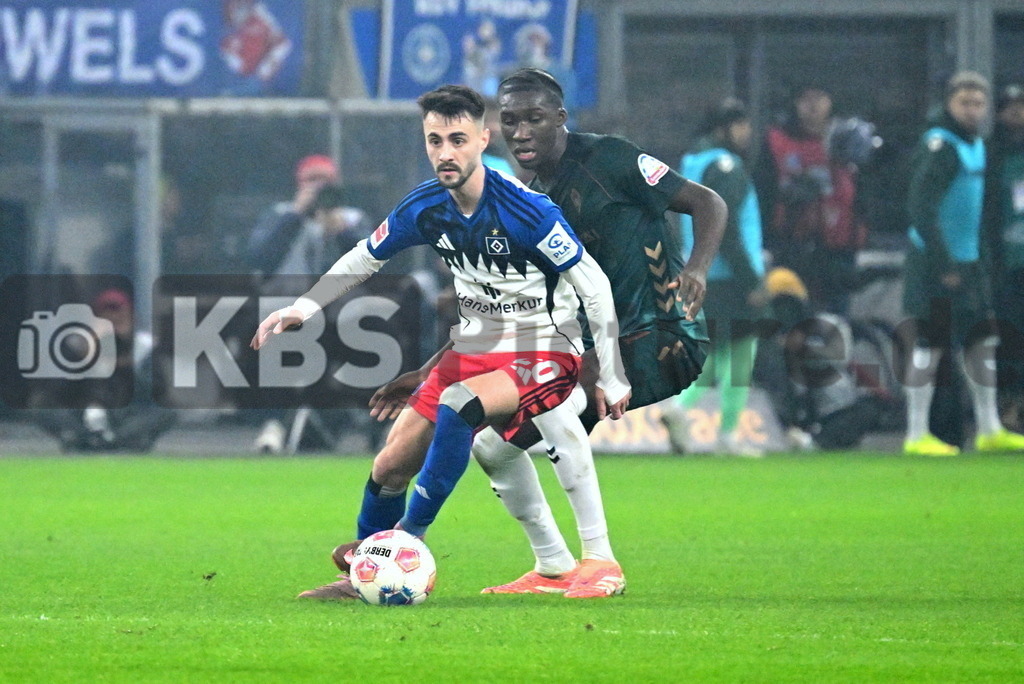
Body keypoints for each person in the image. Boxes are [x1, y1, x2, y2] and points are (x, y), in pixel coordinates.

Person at [250, 84, 631, 597]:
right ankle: (367, 576)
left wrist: (611, 371)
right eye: (434, 141)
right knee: (390, 463)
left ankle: (403, 543)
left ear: (482, 139)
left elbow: (593, 282)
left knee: (461, 406)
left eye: (457, 139)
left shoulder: (525, 209)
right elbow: (366, 256)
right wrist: (303, 306)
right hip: (474, 348)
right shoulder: (427, 206)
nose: (445, 153)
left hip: (545, 348)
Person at [360, 68, 725, 597]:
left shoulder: (612, 159)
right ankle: (553, 565)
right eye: (510, 121)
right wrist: (428, 369)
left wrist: (696, 269)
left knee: (554, 405)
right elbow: (505, 312)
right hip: (590, 342)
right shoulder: (524, 199)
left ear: (561, 119)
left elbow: (708, 202)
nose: (522, 131)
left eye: (534, 118)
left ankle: (602, 562)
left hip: (661, 334)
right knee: (491, 446)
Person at [901, 71, 1024, 456]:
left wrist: (979, 259)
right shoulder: (941, 145)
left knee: (982, 341)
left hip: (969, 261)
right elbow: (920, 208)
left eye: (978, 103)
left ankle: (989, 427)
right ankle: (915, 433)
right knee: (929, 344)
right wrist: (943, 261)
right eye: (964, 103)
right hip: (935, 262)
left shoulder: (975, 145)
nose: (972, 111)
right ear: (950, 103)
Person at [660, 98, 768, 457]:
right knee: (740, 354)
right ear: (725, 128)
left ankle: (681, 407)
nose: (747, 133)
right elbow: (731, 228)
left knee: (717, 349)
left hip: (701, 270)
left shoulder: (693, 163)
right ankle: (726, 434)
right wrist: (752, 279)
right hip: (729, 274)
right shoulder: (726, 167)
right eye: (741, 125)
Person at [246, 159, 372, 453]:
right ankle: (274, 423)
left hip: (343, 317)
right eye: (311, 181)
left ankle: (373, 426)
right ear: (298, 183)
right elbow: (259, 257)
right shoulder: (280, 215)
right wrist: (296, 216)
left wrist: (341, 232)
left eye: (324, 182)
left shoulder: (353, 219)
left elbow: (376, 264)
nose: (318, 189)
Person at [754, 84, 865, 315]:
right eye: (805, 99)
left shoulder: (850, 138)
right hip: (791, 243)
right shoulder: (777, 140)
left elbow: (866, 189)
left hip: (839, 246)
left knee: (835, 318)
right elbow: (763, 191)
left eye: (819, 98)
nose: (813, 106)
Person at [33, 288, 177, 452]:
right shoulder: (79, 344)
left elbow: (157, 390)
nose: (114, 321)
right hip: (85, 411)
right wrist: (85, 358)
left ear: (131, 318)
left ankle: (118, 439)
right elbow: (59, 390)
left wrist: (127, 365)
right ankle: (83, 437)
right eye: (107, 318)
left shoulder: (143, 347)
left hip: (126, 414)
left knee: (167, 409)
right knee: (39, 403)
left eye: (119, 317)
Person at [985, 84, 1024, 426]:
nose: (1017, 113)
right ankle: (1008, 409)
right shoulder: (990, 154)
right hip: (1007, 264)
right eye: (1010, 106)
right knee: (1010, 338)